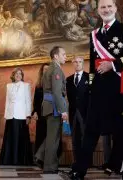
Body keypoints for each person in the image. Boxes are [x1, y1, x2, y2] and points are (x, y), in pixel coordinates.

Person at [69, 0, 123, 179]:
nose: (106, 9)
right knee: (90, 133)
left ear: (115, 9)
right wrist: (91, 87)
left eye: (109, 6)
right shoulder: (94, 34)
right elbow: (93, 67)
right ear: (98, 11)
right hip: (99, 93)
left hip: (120, 91)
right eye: (103, 7)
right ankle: (79, 171)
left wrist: (114, 65)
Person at [34, 46, 68, 174]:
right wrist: (63, 110)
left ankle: (40, 155)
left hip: (49, 105)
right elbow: (57, 92)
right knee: (53, 138)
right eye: (63, 54)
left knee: (51, 136)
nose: (66, 56)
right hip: (54, 106)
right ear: (56, 56)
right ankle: (49, 167)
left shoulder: (50, 69)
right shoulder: (56, 70)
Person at [0, 67, 33, 165]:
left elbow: (28, 101)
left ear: (22, 76)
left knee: (20, 138)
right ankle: (8, 160)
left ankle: (19, 160)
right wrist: (5, 116)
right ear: (13, 76)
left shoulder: (26, 85)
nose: (18, 75)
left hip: (21, 115)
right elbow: (7, 101)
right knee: (10, 138)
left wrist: (28, 116)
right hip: (10, 115)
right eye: (16, 74)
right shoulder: (8, 86)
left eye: (20, 74)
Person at [66, 57, 89, 163]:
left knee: (86, 138)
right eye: (75, 62)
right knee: (75, 139)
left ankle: (86, 162)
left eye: (80, 62)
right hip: (72, 112)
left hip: (85, 113)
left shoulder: (89, 77)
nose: (78, 64)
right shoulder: (68, 79)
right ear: (73, 64)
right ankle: (76, 161)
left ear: (83, 64)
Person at [32, 63, 49, 154]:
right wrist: (34, 112)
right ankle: (38, 159)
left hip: (50, 114)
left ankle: (48, 158)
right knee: (40, 135)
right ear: (42, 71)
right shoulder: (38, 85)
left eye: (48, 69)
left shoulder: (54, 82)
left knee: (49, 136)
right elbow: (35, 101)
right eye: (44, 69)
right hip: (40, 114)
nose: (46, 70)